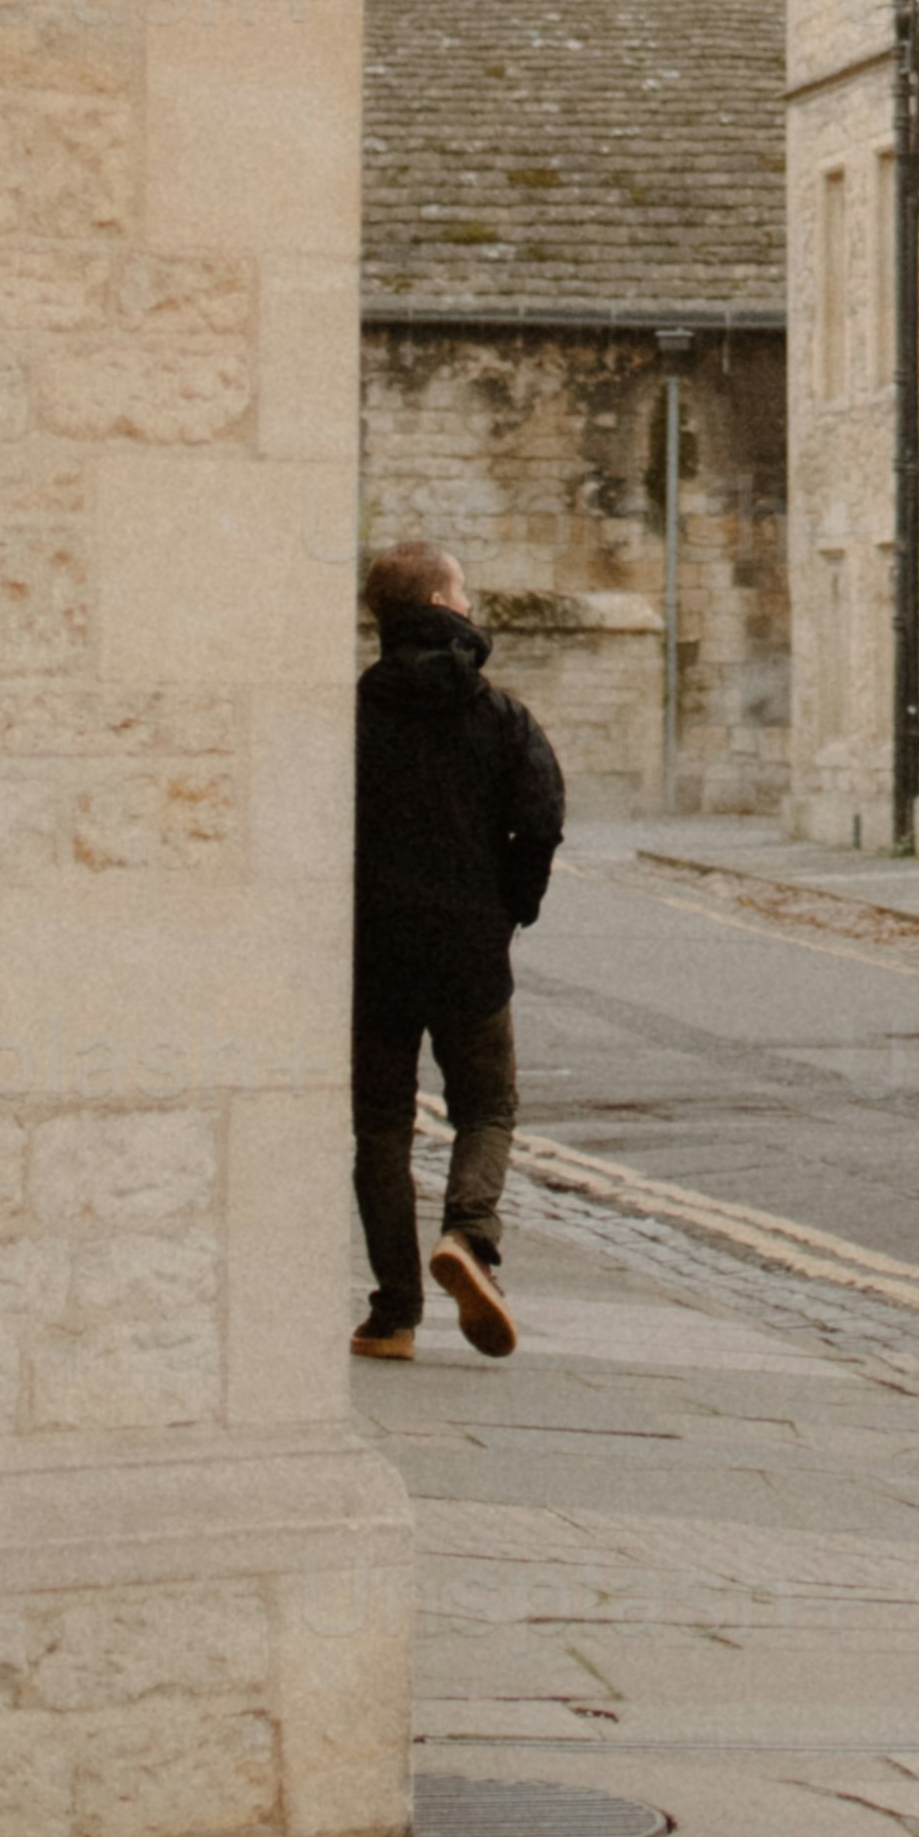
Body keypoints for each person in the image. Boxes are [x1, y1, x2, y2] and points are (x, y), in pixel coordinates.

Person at [351, 540, 565, 1359]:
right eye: (463, 592)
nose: (472, 605)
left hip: (373, 953)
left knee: (380, 1126)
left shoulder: (351, 714)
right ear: (442, 607)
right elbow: (541, 819)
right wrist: (514, 905)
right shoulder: (498, 715)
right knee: (485, 1106)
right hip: (470, 949)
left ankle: (394, 1314)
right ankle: (468, 1238)